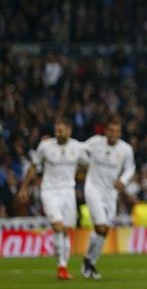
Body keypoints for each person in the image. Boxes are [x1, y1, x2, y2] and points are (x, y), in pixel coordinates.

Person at [17, 117, 88, 280]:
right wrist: (24, 187)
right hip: (49, 191)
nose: (58, 133)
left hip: (68, 192)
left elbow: (87, 165)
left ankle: (64, 266)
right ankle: (61, 267)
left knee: (66, 231)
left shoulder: (77, 147)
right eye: (57, 130)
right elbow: (33, 166)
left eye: (61, 131)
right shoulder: (45, 146)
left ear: (69, 130)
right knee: (57, 226)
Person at [81, 116, 135, 280]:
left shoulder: (126, 149)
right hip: (93, 189)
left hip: (110, 193)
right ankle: (89, 263)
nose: (114, 134)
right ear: (105, 131)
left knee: (103, 231)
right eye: (111, 130)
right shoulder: (95, 142)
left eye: (117, 131)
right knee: (101, 226)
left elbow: (130, 168)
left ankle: (89, 261)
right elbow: (78, 149)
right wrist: (84, 163)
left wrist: (123, 180)